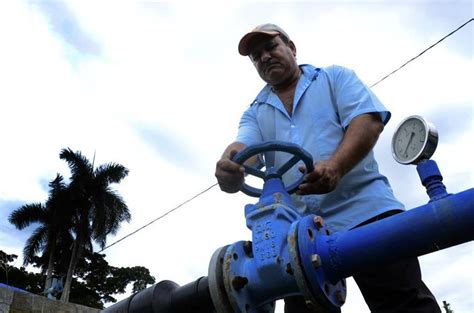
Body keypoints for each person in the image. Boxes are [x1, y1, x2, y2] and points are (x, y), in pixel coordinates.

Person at [215, 23, 441, 313]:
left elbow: (367, 121)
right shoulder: (256, 111)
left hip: (364, 211)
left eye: (271, 47)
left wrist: (336, 167)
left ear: (291, 48)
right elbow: (242, 149)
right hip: (299, 235)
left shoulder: (334, 78)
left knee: (404, 303)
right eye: (256, 56)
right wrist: (229, 167)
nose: (265, 57)